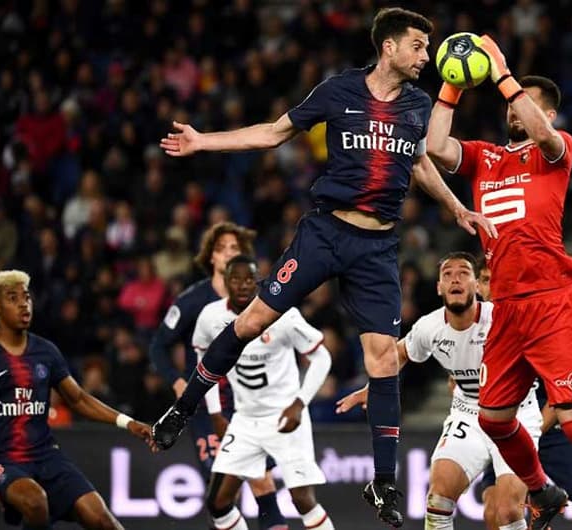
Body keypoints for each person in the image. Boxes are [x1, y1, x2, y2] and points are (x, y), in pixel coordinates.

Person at [153, 8, 495, 527]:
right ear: (389, 47)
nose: (428, 56)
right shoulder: (338, 91)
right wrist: (204, 141)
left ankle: (383, 483)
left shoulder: (419, 104)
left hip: (377, 250)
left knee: (383, 361)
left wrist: (457, 209)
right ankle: (183, 408)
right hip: (325, 233)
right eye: (419, 46)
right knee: (250, 323)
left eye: (429, 48)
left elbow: (421, 161)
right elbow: (273, 133)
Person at [426, 35, 572, 530]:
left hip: (552, 298)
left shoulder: (557, 150)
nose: (513, 111)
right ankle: (544, 491)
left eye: (527, 104)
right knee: (493, 418)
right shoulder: (487, 158)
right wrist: (451, 83)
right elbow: (436, 147)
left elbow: (544, 136)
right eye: (510, 102)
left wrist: (504, 74)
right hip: (505, 306)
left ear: (545, 112)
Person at [336, 252, 542, 530]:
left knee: (507, 512)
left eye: (464, 273)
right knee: (437, 499)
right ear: (439, 287)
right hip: (468, 413)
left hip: (516, 414)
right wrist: (371, 387)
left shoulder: (501, 319)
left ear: (476, 286)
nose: (455, 278)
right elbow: (399, 354)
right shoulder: (429, 327)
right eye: (447, 274)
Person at [0, 270, 152, 530]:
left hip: (47, 456)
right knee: (35, 502)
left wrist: (127, 422)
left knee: (102, 520)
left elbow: (77, 399)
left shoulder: (45, 351)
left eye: (27, 297)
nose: (24, 303)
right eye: (13, 298)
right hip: (4, 460)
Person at [148, 222, 286, 529]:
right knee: (221, 493)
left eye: (234, 249)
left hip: (249, 405)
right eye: (221, 249)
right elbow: (158, 347)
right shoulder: (193, 301)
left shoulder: (260, 301)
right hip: (206, 412)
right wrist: (177, 380)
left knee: (262, 481)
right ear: (211, 257)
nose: (227, 255)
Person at [192, 256, 335, 530]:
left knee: (302, 500)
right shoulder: (211, 317)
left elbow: (322, 358)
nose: (243, 285)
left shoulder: (282, 314)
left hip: (284, 417)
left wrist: (299, 403)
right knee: (218, 503)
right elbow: (204, 361)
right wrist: (214, 412)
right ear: (225, 282)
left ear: (257, 281)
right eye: (236, 279)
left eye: (249, 279)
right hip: (245, 420)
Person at [476, 263, 572, 530]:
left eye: (497, 278)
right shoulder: (471, 329)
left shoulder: (535, 319)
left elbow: (564, 388)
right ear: (478, 287)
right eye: (484, 280)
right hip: (509, 436)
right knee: (496, 511)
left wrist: (534, 429)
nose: (492, 286)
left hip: (547, 430)